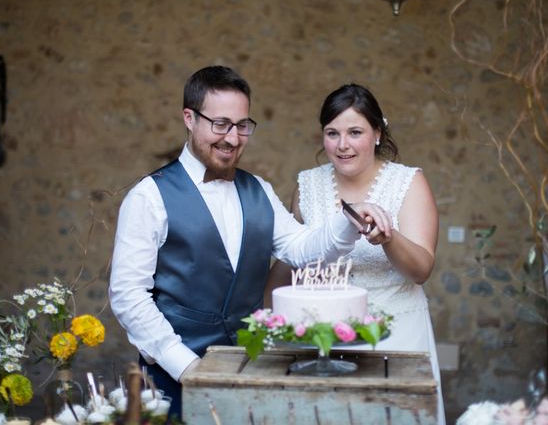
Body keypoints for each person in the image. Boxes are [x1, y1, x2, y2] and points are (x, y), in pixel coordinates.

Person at [108, 67, 391, 420]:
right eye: (220, 124)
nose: (233, 137)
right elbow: (128, 294)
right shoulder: (148, 197)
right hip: (174, 379)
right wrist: (185, 366)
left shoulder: (259, 190)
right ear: (189, 118)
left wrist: (351, 218)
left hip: (249, 371)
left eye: (243, 125)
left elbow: (302, 249)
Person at [270, 83, 445, 423]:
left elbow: (421, 269)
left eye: (355, 132)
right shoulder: (307, 185)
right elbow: (294, 259)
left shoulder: (408, 182)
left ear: (377, 133)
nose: (342, 144)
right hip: (325, 337)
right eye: (332, 133)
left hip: (397, 334)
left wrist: (388, 239)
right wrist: (272, 321)